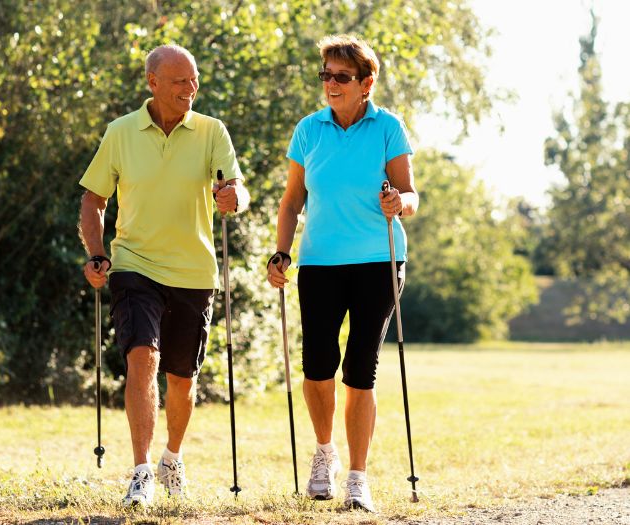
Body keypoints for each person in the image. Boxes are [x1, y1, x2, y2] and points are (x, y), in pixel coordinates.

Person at [78, 44, 249, 507]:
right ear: (152, 83)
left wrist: (235, 197)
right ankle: (140, 471)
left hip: (194, 272)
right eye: (179, 81)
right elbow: (94, 200)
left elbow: (235, 185)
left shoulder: (212, 131)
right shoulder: (120, 133)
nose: (190, 89)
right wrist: (97, 254)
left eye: (194, 80)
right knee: (141, 357)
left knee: (182, 378)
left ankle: (171, 456)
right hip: (135, 265)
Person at [266, 34, 419, 512]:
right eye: (326, 75)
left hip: (379, 258)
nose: (331, 84)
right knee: (316, 366)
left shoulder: (387, 127)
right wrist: (281, 251)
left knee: (361, 369)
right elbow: (292, 201)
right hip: (319, 262)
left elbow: (411, 194)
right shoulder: (309, 130)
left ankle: (357, 477)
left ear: (366, 83)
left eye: (341, 77)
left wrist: (399, 202)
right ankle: (324, 453)